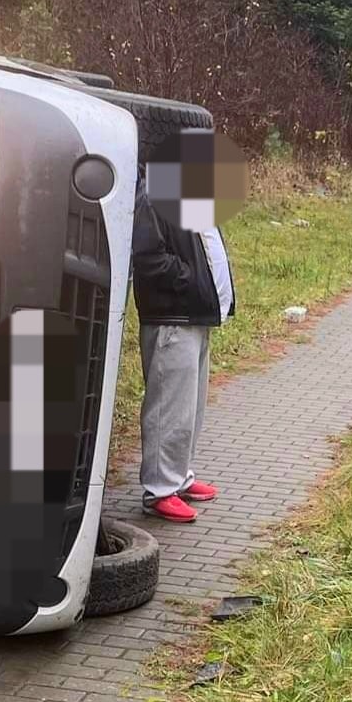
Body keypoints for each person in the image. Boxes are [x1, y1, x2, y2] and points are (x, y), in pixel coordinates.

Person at [130, 174, 235, 523]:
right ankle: (160, 490)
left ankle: (179, 476)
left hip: (197, 315)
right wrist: (190, 282)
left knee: (190, 404)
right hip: (172, 317)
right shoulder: (153, 191)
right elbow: (147, 256)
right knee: (169, 404)